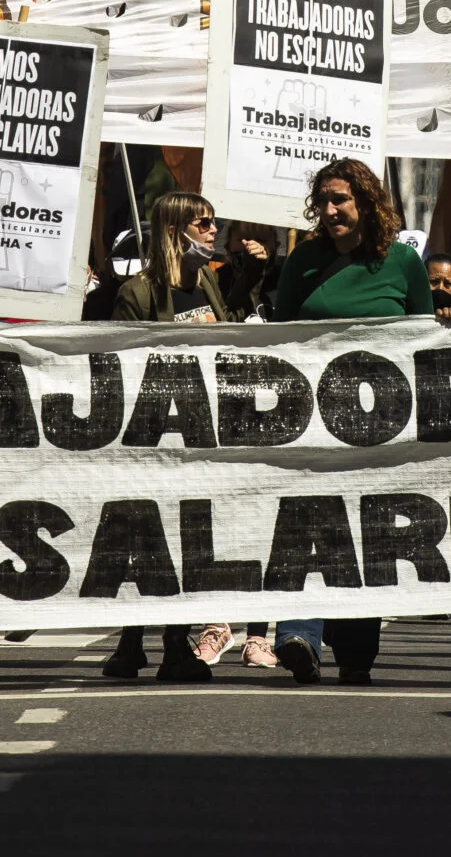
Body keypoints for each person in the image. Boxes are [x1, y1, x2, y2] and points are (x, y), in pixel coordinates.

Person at [268, 158, 451, 686]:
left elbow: (424, 336)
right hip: (310, 425)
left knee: (367, 533)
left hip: (381, 430)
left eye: (341, 200)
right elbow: (276, 340)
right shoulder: (302, 262)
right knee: (308, 524)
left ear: (366, 203)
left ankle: (354, 644)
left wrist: (445, 322)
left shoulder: (402, 263)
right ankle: (297, 635)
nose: (330, 211)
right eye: (323, 200)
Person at [104, 193, 263, 681]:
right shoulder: (138, 293)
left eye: (215, 221)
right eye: (204, 222)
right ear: (175, 231)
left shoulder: (208, 278)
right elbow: (119, 361)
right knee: (148, 543)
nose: (214, 230)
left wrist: (251, 284)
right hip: (155, 438)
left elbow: (225, 335)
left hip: (201, 437)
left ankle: (166, 644)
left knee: (187, 543)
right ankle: (142, 644)